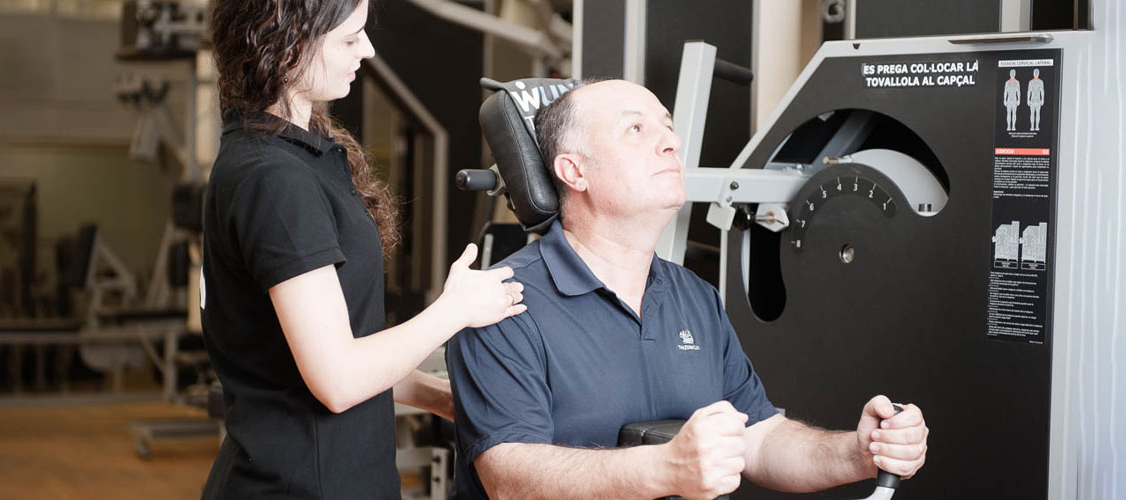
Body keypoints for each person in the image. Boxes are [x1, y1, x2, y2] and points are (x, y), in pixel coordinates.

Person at [446, 79, 929, 500]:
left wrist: (858, 452)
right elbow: (508, 479)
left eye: (667, 126)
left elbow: (758, 439)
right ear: (574, 171)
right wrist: (665, 469)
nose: (671, 143)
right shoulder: (502, 301)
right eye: (637, 130)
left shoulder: (694, 297)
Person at [201, 0, 526, 498]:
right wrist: (454, 310)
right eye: (350, 39)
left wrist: (442, 399)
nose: (368, 49)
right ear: (286, 46)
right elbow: (338, 379)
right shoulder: (274, 179)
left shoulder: (296, 153)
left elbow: (338, 347)